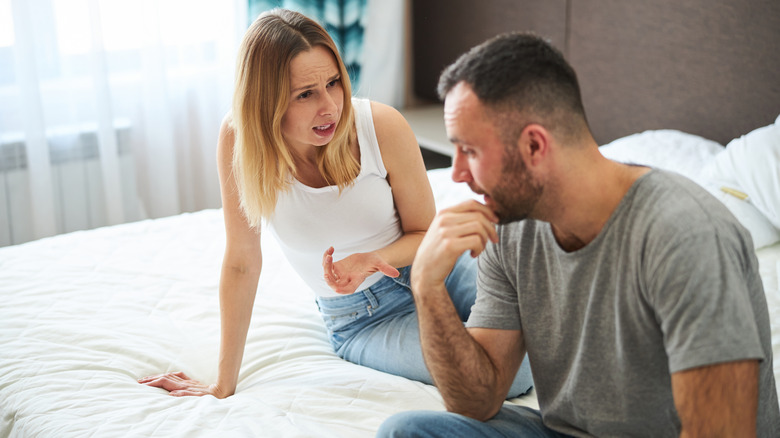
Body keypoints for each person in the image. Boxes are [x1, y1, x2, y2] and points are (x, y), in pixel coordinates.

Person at [377, 32, 780, 437]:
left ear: (535, 145)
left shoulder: (686, 235)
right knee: (408, 431)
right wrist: (426, 286)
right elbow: (477, 401)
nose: (458, 174)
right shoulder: (510, 230)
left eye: (471, 151)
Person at [137, 9, 533, 399]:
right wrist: (223, 384)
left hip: (438, 270)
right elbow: (242, 261)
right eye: (305, 94)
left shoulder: (381, 126)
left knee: (544, 326)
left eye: (333, 83)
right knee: (512, 375)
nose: (329, 106)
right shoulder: (238, 140)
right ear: (265, 103)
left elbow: (424, 234)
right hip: (365, 320)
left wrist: (370, 258)